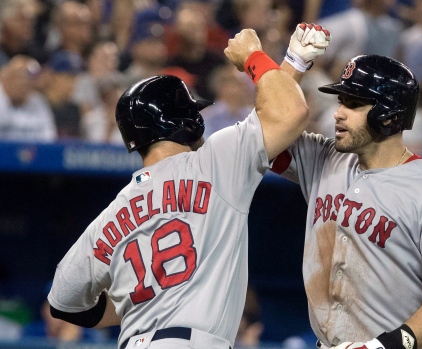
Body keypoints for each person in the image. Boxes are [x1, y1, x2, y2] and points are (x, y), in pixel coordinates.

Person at [46, 23, 331, 349]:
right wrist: (256, 56)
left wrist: (136, 303)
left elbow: (63, 302)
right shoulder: (214, 161)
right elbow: (287, 112)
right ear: (186, 122)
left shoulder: (112, 214)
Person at [272, 54, 422, 349]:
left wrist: (385, 346)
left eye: (354, 103)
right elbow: (266, 133)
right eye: (341, 101)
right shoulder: (324, 158)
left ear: (388, 114)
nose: (339, 113)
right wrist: (292, 64)